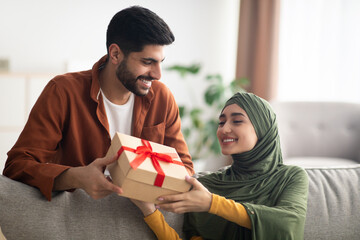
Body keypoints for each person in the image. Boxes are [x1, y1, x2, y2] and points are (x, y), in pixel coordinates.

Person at [3, 6, 193, 201]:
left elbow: (185, 170)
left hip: (140, 219)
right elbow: (17, 166)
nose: (158, 74)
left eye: (161, 62)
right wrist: (75, 177)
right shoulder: (63, 91)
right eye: (147, 62)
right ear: (116, 54)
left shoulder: (162, 98)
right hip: (76, 218)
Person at [131, 92, 309, 240]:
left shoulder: (291, 177)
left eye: (237, 121)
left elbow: (288, 225)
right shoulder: (206, 185)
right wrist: (150, 212)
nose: (224, 129)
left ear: (263, 128)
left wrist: (211, 203)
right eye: (221, 122)